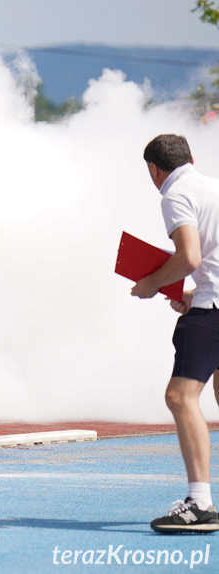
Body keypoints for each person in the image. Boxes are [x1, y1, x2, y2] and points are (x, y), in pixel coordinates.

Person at [132, 134, 219, 533]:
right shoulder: (212, 184)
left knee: (179, 396)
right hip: (210, 298)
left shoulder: (174, 193)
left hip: (213, 309)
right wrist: (191, 291)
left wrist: (152, 282)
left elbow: (189, 256)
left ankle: (200, 503)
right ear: (191, 157)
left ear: (154, 169)